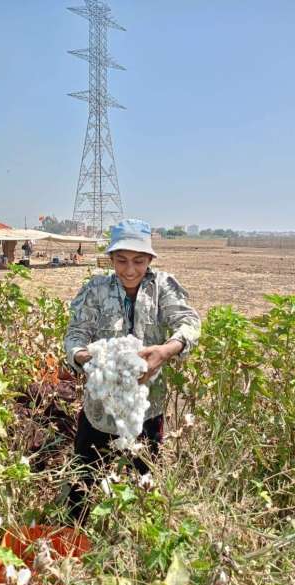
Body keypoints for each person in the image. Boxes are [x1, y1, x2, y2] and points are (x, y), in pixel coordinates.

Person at [64, 219, 201, 522]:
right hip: (99, 410)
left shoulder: (163, 287)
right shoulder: (95, 290)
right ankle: (76, 537)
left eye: (138, 261)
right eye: (121, 260)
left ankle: (136, 540)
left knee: (145, 484)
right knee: (83, 482)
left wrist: (165, 352)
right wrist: (92, 359)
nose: (129, 270)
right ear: (111, 259)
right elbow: (74, 336)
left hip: (147, 410)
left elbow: (189, 323)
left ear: (150, 260)